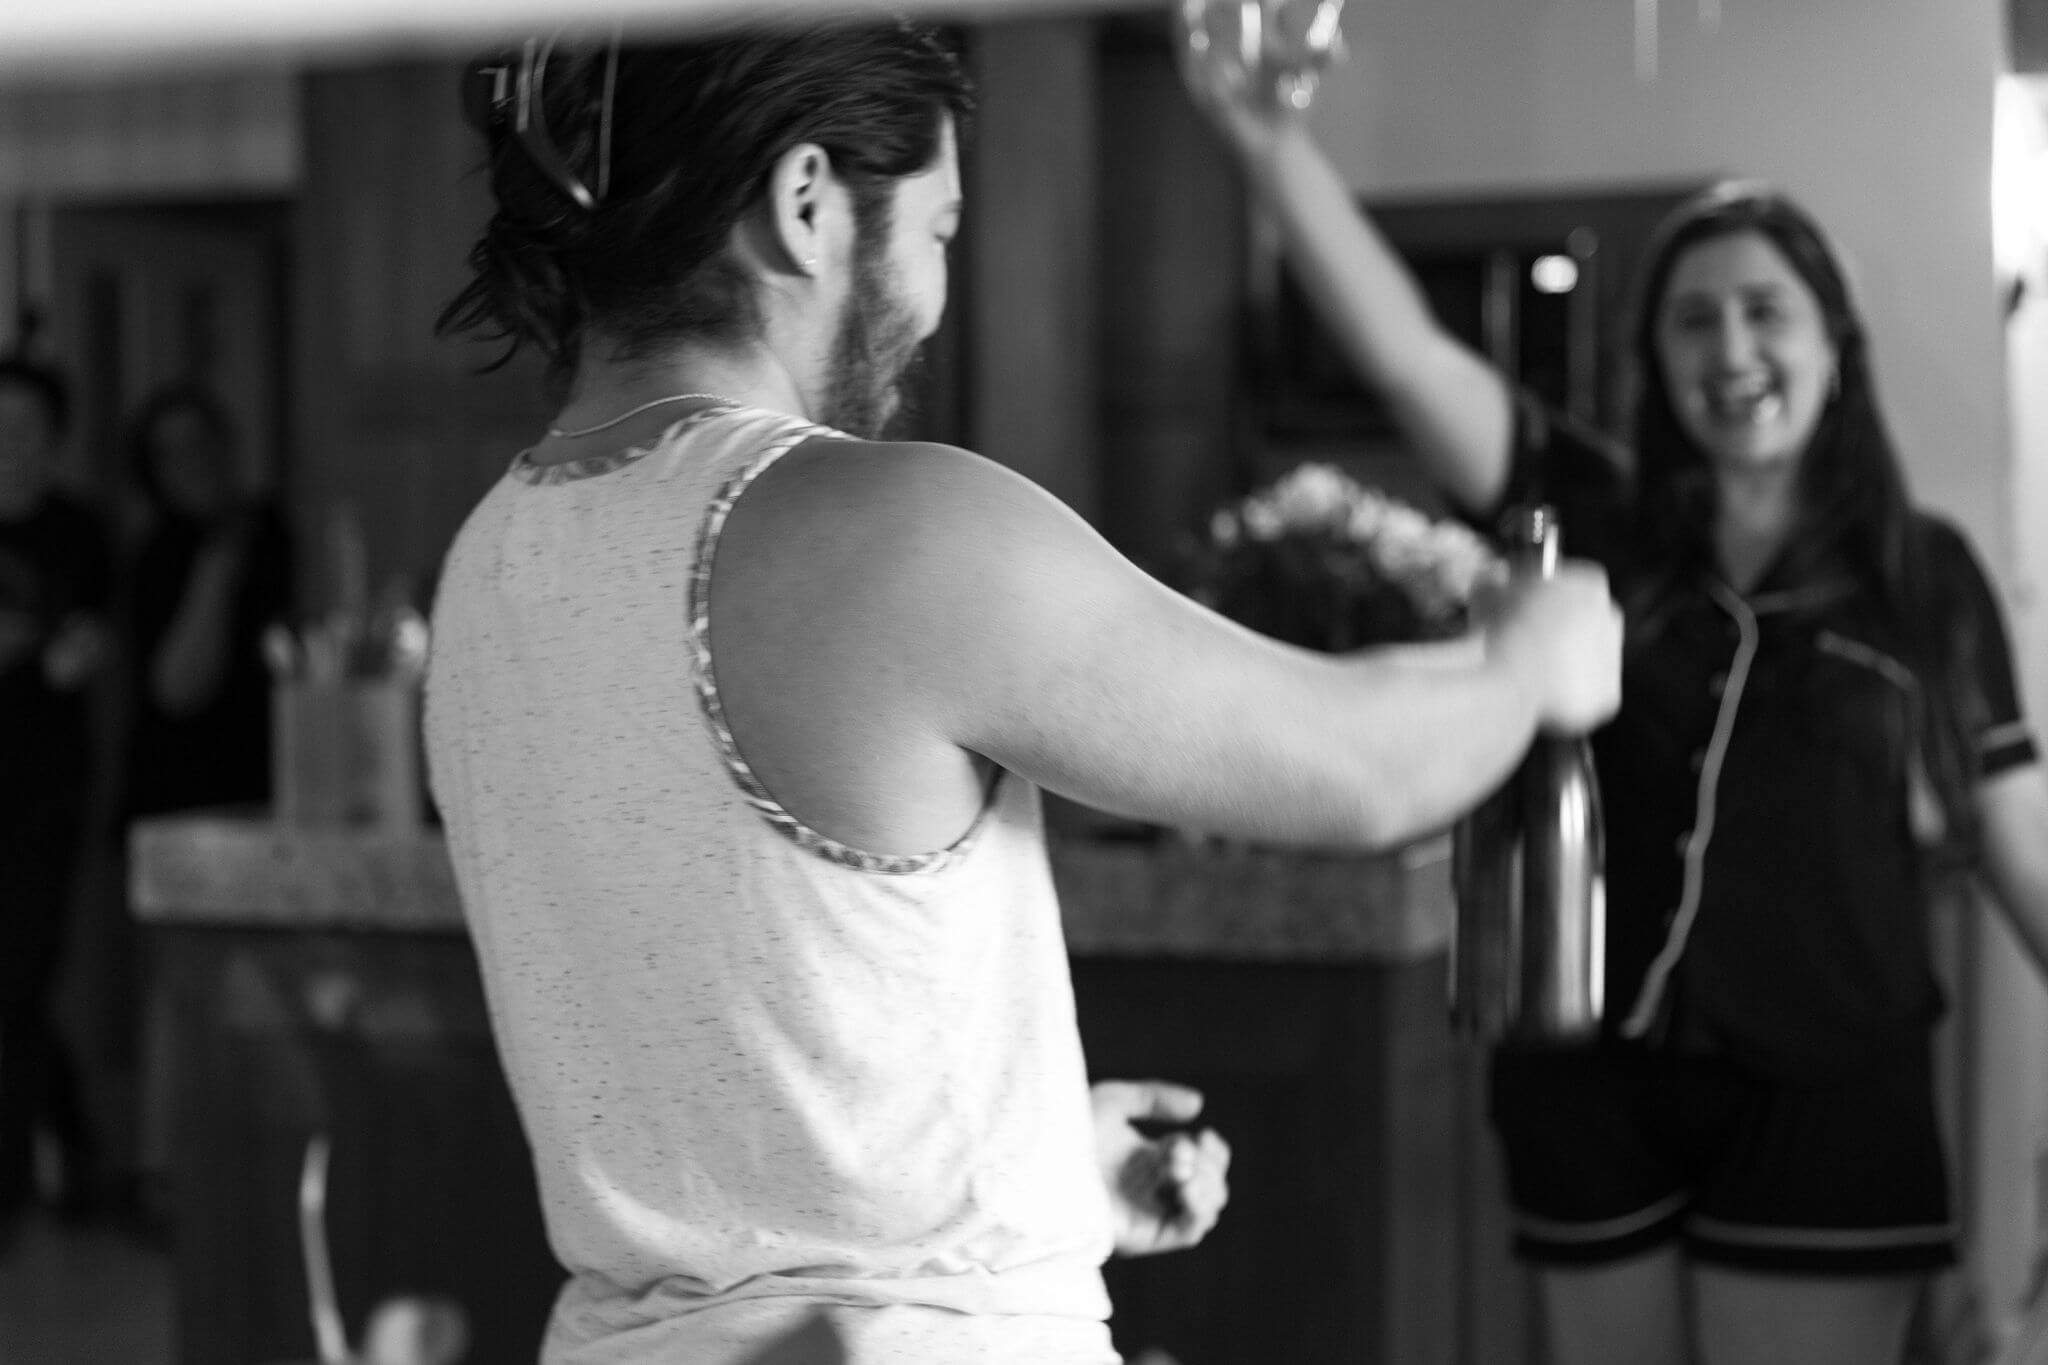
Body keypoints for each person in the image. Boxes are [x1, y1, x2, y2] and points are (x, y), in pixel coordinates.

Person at [422, 21, 1621, 1365]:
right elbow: (1359, 771)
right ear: (806, 206)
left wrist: (1025, 1174)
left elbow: (732, 1033)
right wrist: (1528, 664)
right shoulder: (879, 525)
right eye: (936, 231)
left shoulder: (488, 562)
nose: (933, 301)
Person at [1185, 56, 2048, 1365]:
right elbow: (1412, 357)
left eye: (1767, 312)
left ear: (1833, 343)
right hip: (1592, 1091)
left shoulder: (1924, 572)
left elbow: (2015, 840)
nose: (1733, 351)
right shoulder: (1594, 525)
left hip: (1828, 1100)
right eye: (1694, 322)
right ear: (1654, 359)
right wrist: (1264, 140)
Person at [0, 352, 112, 1242]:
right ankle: (76, 1149)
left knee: (21, 974)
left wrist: (63, 653)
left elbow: (94, 645)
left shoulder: (79, 530)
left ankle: (20, 1179)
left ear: (55, 438)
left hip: (44, 790)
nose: (10, 444)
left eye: (28, 427)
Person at [121, 383, 293, 818]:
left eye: (200, 443)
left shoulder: (270, 530)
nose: (193, 462)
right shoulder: (157, 553)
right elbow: (178, 691)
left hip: (268, 777)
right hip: (180, 791)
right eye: (171, 452)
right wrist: (215, 574)